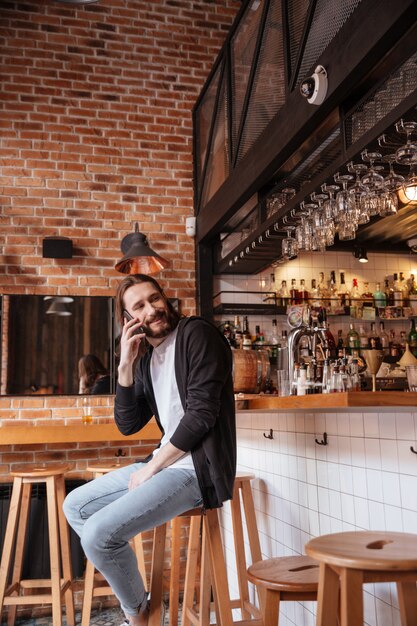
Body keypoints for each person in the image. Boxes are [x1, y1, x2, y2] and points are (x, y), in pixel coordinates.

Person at [64, 274, 236, 626]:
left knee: (98, 535)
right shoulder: (146, 360)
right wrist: (125, 364)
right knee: (75, 506)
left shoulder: (196, 334)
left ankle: (136, 617)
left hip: (196, 471)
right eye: (139, 306)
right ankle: (139, 603)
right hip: (166, 464)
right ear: (129, 320)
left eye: (154, 298)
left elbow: (202, 415)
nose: (153, 308)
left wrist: (153, 467)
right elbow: (128, 424)